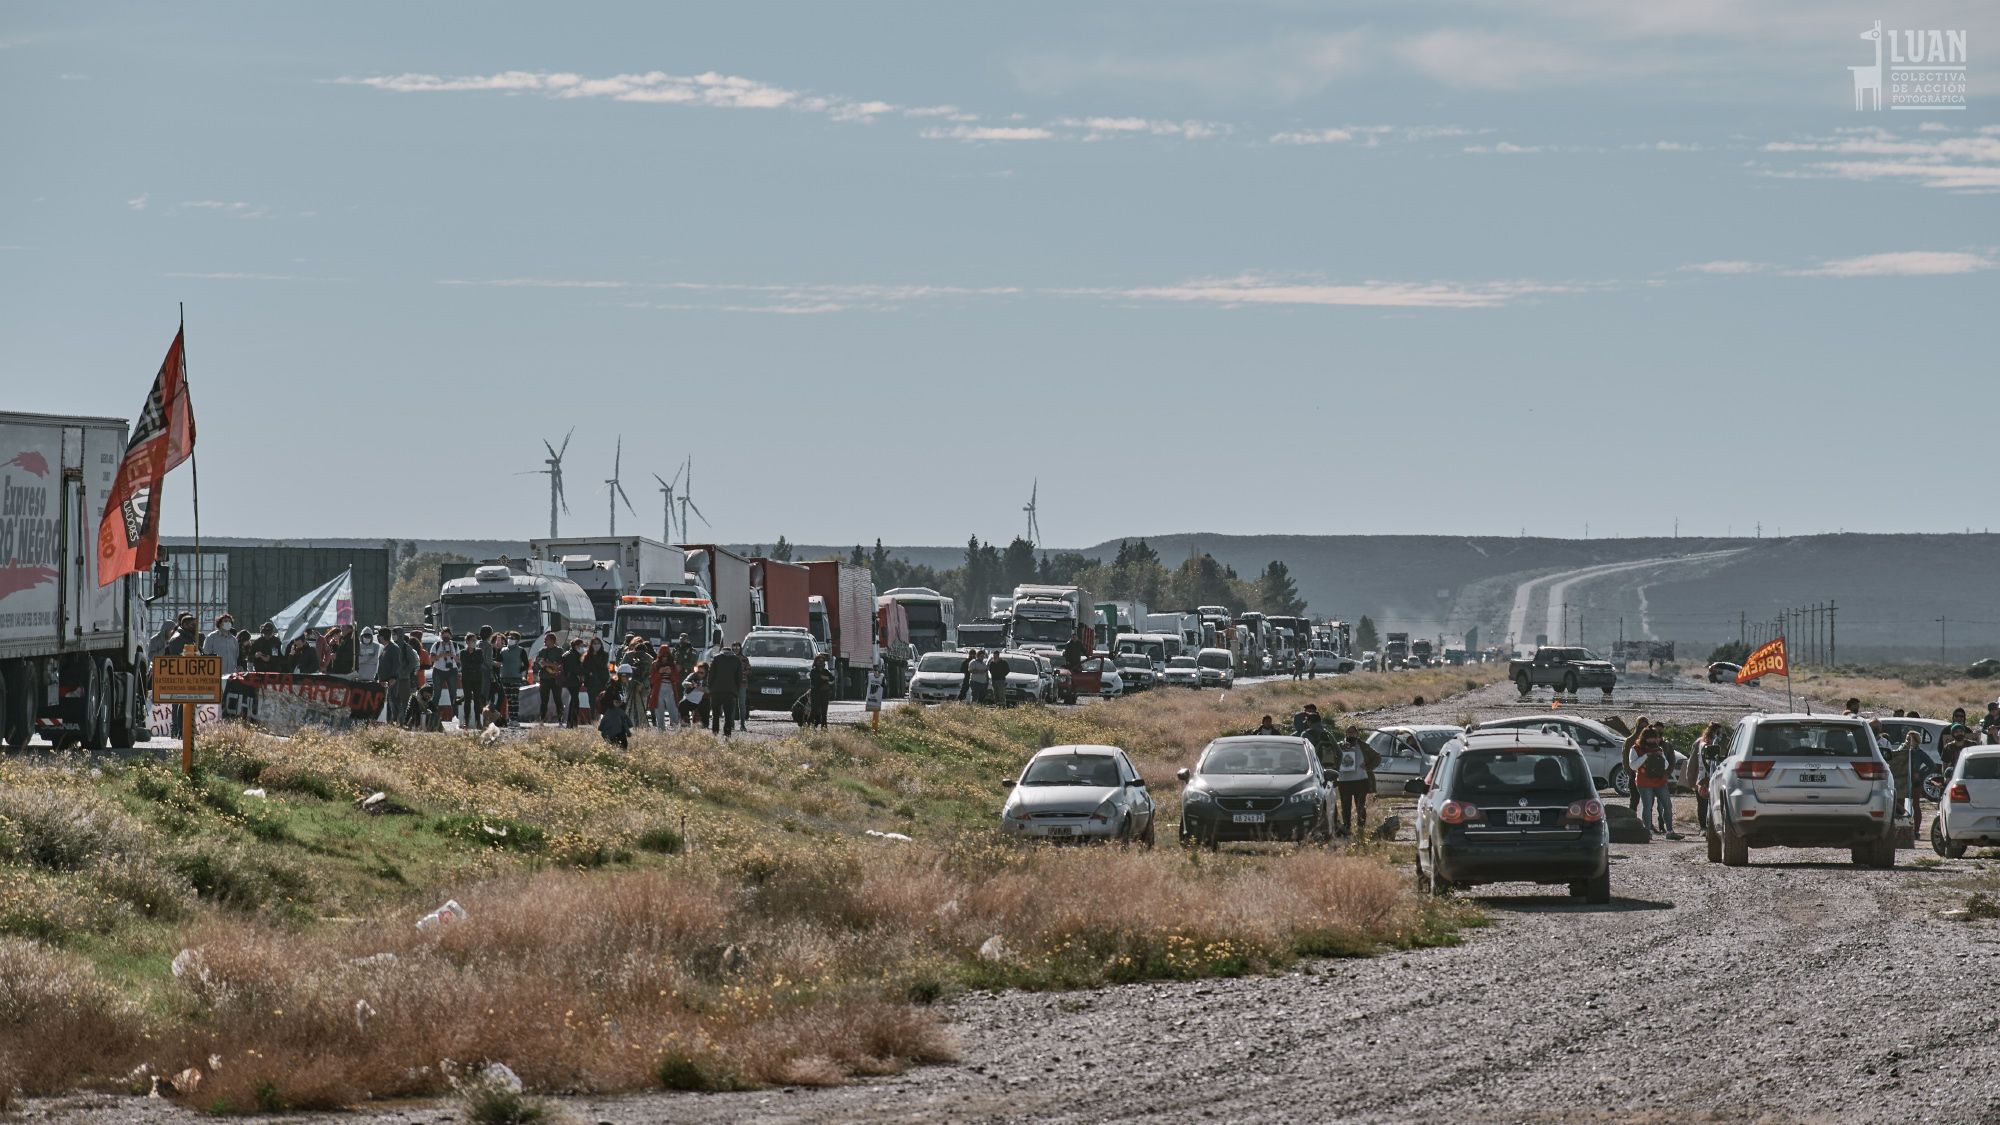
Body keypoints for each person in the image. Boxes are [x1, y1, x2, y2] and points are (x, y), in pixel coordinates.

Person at [1332, 725, 1381, 838]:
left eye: (1353, 732)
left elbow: (1377, 757)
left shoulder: (1363, 746)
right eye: (1348, 732)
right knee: (1345, 807)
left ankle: (1361, 828)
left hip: (1361, 781)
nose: (1351, 734)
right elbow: (1332, 758)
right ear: (1345, 734)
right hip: (1344, 782)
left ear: (1357, 734)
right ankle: (1347, 827)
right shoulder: (1339, 746)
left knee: (1360, 806)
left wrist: (1368, 766)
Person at [1632, 727, 1676, 839]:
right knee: (1647, 807)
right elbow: (1633, 766)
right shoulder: (1636, 749)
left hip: (1660, 781)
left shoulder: (1659, 749)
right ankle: (1647, 832)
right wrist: (1646, 756)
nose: (1653, 741)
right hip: (1644, 782)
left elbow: (1666, 765)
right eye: (1650, 739)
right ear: (1644, 738)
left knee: (1667, 805)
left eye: (1654, 738)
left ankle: (1670, 831)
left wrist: (1660, 756)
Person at [1686, 722, 1728, 832]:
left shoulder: (1720, 743)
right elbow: (1693, 762)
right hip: (1703, 777)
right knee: (1703, 803)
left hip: (1716, 776)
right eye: (1719, 732)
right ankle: (1703, 827)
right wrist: (1691, 778)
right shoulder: (1701, 743)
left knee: (1714, 803)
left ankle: (1713, 826)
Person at [707, 646, 743, 736]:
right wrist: (736, 690)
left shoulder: (716, 659)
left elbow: (710, 675)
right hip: (730, 692)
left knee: (715, 714)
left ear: (722, 651)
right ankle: (727, 734)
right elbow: (739, 678)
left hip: (716, 692)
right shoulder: (736, 660)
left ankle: (715, 732)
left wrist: (710, 687)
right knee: (728, 715)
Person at [429, 629, 462, 722]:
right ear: (441, 636)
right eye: (444, 635)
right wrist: (441, 655)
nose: (446, 637)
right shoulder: (436, 645)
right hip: (438, 670)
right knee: (437, 694)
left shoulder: (455, 645)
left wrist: (452, 656)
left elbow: (459, 660)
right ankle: (432, 715)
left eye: (447, 635)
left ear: (451, 636)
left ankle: (456, 716)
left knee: (453, 694)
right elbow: (431, 659)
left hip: (452, 671)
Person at [1621, 717, 1652, 810]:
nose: (1643, 728)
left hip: (1648, 775)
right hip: (1634, 775)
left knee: (1648, 802)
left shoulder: (1650, 740)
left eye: (1645, 726)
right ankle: (1632, 822)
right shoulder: (1630, 741)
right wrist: (1631, 774)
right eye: (1641, 726)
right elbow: (1626, 760)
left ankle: (1648, 823)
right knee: (1634, 800)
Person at [458, 629, 487, 727]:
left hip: (477, 678)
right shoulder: (462, 652)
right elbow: (464, 664)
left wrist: (472, 664)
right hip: (466, 679)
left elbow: (479, 662)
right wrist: (472, 664)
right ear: (467, 642)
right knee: (467, 699)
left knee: (477, 699)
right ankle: (466, 720)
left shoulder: (479, 651)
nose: (474, 642)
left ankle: (478, 721)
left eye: (475, 640)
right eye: (472, 641)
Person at [496, 632, 527, 726]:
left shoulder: (521, 650)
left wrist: (519, 670)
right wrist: (498, 649)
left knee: (515, 698)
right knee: (509, 699)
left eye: (512, 638)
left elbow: (526, 664)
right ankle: (511, 719)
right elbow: (499, 661)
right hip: (504, 678)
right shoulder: (503, 650)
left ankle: (515, 719)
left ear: (517, 640)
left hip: (516, 678)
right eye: (509, 638)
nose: (510, 639)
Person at [535, 632, 565, 723]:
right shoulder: (542, 651)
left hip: (556, 678)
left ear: (552, 640)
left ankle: (560, 717)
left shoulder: (559, 651)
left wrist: (548, 663)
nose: (544, 641)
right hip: (544, 678)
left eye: (546, 639)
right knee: (544, 699)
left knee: (557, 699)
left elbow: (560, 665)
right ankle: (542, 718)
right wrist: (543, 664)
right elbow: (538, 664)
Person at [625, 638, 656, 727]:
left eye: (642, 653)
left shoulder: (649, 659)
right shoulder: (628, 656)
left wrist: (642, 684)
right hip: (630, 683)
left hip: (643, 685)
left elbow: (650, 675)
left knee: (641, 706)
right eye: (637, 652)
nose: (639, 655)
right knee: (628, 705)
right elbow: (622, 669)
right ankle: (628, 723)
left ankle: (641, 725)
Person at [583, 637, 611, 722]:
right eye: (594, 643)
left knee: (601, 701)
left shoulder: (605, 654)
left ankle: (601, 718)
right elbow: (584, 667)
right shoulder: (587, 655)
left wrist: (595, 656)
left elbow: (602, 665)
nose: (596, 645)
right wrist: (589, 673)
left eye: (598, 643)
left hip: (602, 681)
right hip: (591, 682)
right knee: (592, 701)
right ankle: (592, 718)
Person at [560, 639, 587, 728]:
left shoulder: (573, 654)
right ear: (576, 646)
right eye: (581, 646)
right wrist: (583, 672)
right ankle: (572, 723)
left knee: (574, 701)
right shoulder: (571, 655)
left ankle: (572, 723)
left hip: (573, 680)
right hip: (572, 680)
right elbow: (574, 669)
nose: (582, 648)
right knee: (575, 701)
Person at [808, 653, 835, 728]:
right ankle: (809, 726)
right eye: (819, 661)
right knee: (814, 710)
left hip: (824, 694)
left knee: (824, 712)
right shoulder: (813, 671)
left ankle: (824, 727)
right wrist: (822, 677)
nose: (821, 663)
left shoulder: (825, 671)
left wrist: (825, 678)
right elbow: (816, 679)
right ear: (816, 662)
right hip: (815, 693)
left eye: (822, 661)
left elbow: (832, 678)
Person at [680, 662, 710, 727]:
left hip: (703, 702)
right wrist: (689, 684)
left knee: (702, 723)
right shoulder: (693, 675)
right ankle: (686, 724)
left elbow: (710, 690)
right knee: (682, 705)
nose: (699, 674)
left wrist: (700, 688)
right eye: (698, 672)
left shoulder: (709, 678)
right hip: (690, 700)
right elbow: (684, 683)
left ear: (706, 672)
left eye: (702, 673)